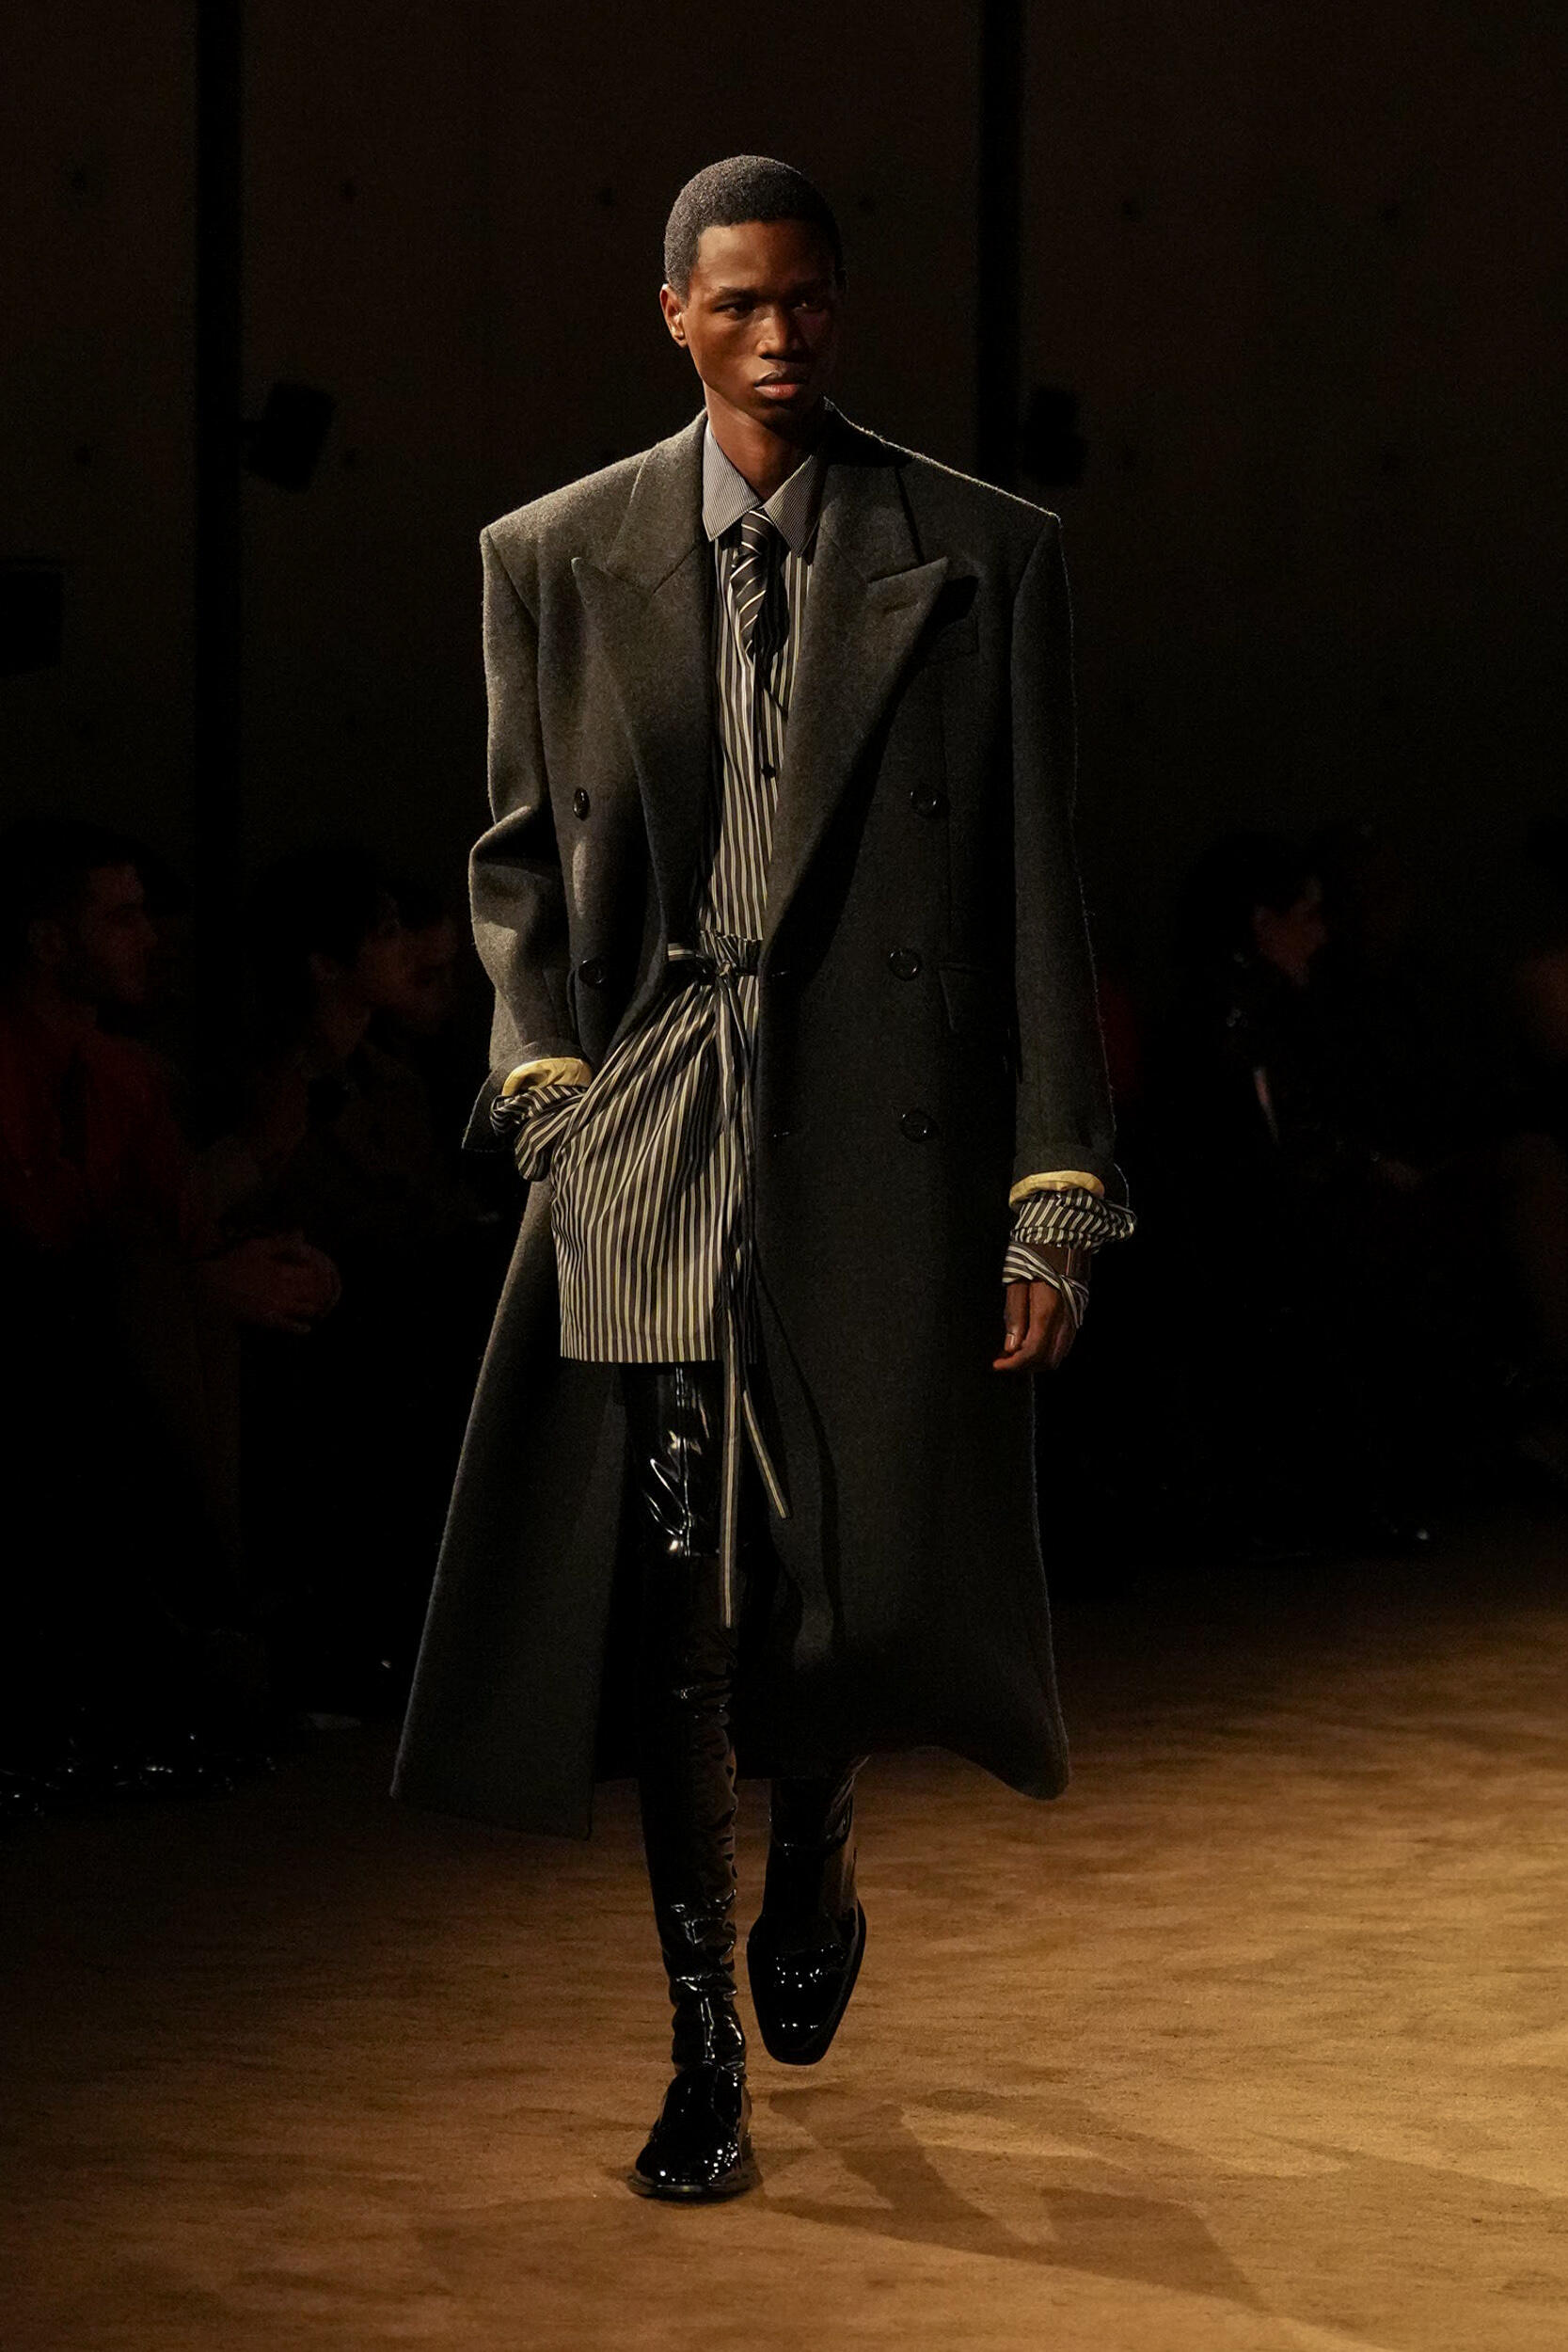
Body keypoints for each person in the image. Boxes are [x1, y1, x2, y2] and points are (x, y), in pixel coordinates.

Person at [393, 157, 1134, 2201]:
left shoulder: (977, 554)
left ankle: (817, 1830)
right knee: (677, 1593)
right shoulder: (552, 554)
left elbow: (1035, 888)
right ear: (675, 315)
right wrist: (541, 1074)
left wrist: (1053, 1183)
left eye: (808, 299)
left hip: (873, 1124)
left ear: (842, 303)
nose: (781, 335)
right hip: (643, 1111)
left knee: (845, 1583)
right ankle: (700, 2045)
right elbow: (516, 859)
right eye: (739, 304)